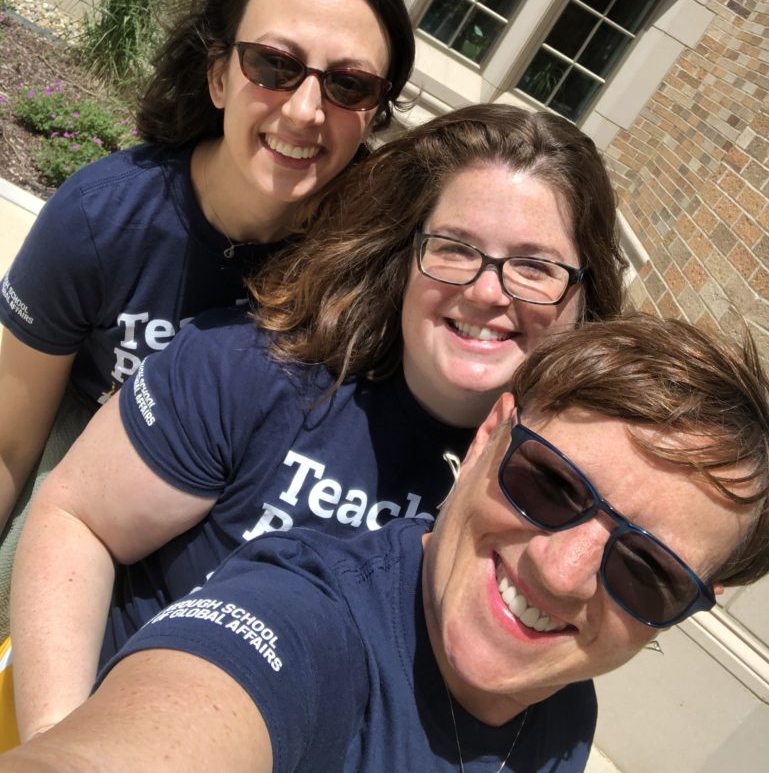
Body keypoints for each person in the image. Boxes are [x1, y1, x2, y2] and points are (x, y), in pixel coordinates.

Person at [10, 104, 626, 743]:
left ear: (584, 297)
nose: (487, 291)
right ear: (404, 253)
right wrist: (60, 736)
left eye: (535, 267)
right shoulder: (250, 371)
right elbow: (77, 519)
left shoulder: (569, 496)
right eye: (455, 247)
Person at [2, 314, 767, 773]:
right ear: (486, 439)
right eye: (550, 485)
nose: (562, 573)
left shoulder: (562, 714)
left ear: (695, 602)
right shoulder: (305, 616)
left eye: (647, 571)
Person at [0, 0, 414, 633]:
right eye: (274, 65)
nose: (305, 110)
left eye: (348, 85)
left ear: (372, 113)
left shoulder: (371, 266)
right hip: (98, 472)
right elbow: (9, 444)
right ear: (219, 74)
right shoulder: (104, 220)